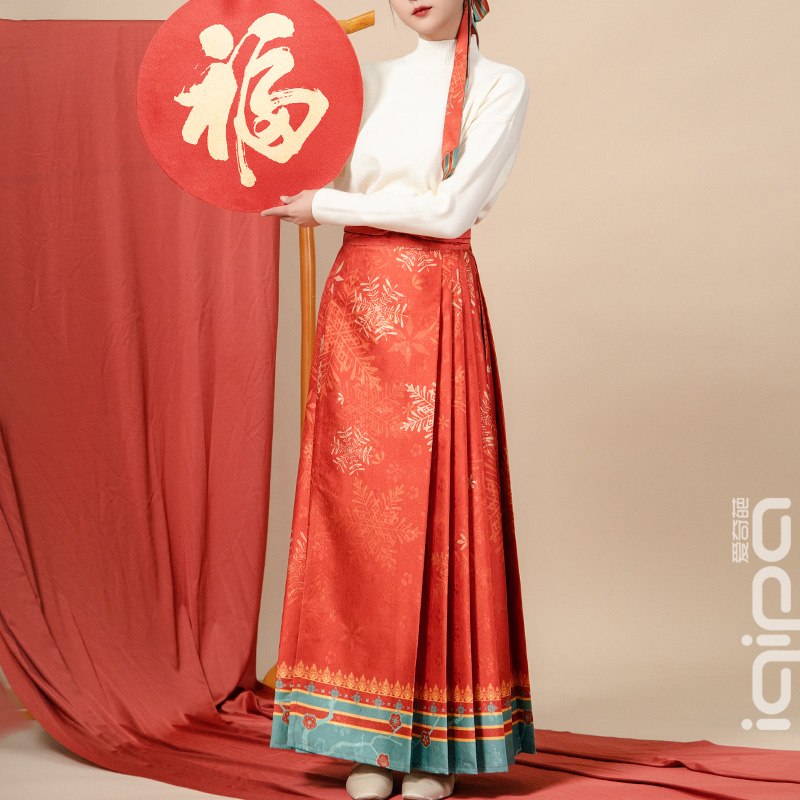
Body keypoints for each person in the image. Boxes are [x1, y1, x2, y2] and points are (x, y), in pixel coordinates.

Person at [262, 2, 535, 799]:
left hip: (434, 303)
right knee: (352, 519)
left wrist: (324, 207)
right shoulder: (358, 82)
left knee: (440, 512)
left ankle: (434, 746)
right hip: (357, 306)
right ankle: (365, 739)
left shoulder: (500, 85)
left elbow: (448, 212)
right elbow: (311, 178)